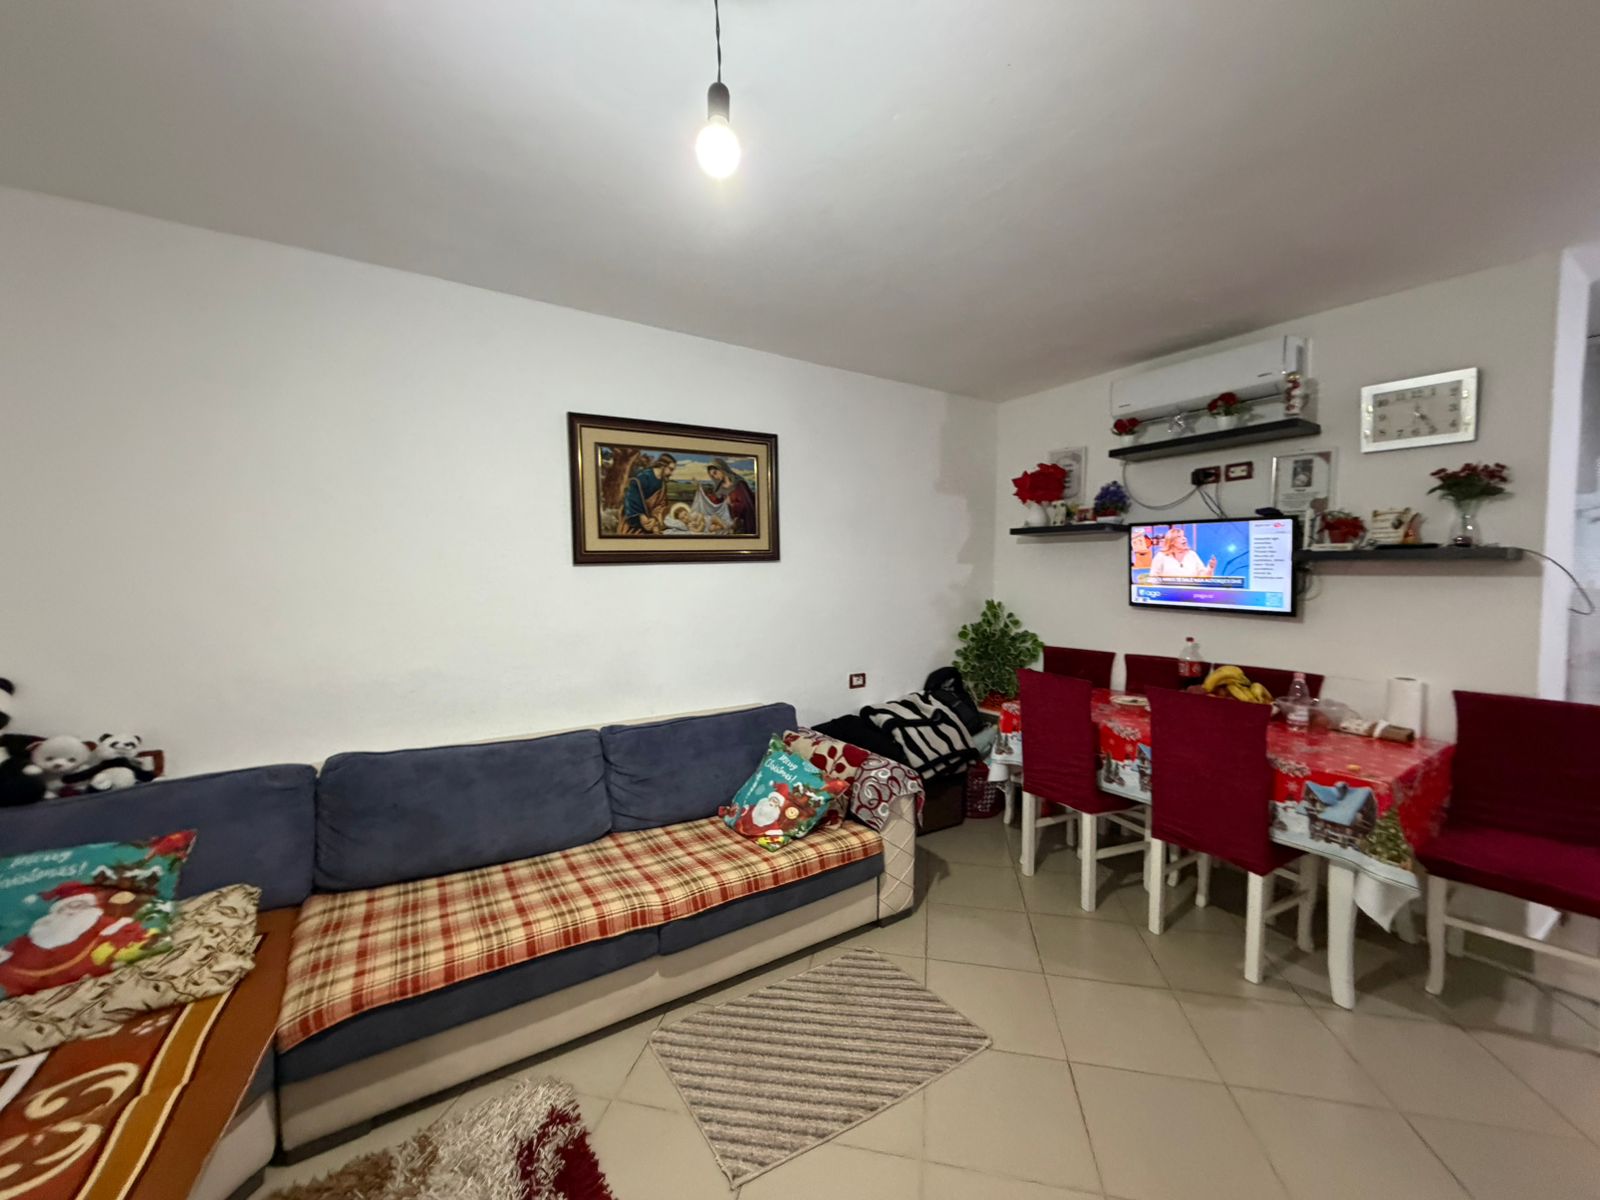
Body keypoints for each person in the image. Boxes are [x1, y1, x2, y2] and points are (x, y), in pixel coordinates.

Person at [620, 453, 676, 534]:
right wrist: (641, 516)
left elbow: (662, 505)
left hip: (652, 524)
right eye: (671, 469)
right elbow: (631, 499)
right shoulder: (641, 478)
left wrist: (655, 518)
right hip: (635, 524)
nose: (671, 473)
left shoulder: (663, 484)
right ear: (663, 466)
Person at [701, 458, 757, 535]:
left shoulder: (739, 484)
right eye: (712, 476)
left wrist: (731, 504)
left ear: (721, 468)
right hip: (726, 519)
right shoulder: (719, 488)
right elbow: (716, 502)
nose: (715, 477)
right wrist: (703, 495)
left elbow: (747, 506)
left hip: (742, 521)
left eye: (715, 473)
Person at [1147, 526, 1216, 579]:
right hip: (1168, 592)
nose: (1184, 538)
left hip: (1190, 592)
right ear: (1171, 541)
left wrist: (1210, 568)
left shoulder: (1192, 554)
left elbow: (1204, 577)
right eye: (1179, 537)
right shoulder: (1161, 556)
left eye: (1184, 536)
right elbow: (1153, 578)